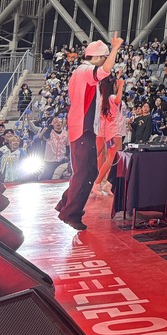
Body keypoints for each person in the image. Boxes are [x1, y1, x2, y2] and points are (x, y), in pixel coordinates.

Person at [56, 34, 123, 231]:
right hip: (83, 128)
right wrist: (115, 48)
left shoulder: (79, 72)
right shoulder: (85, 71)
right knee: (85, 172)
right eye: (105, 57)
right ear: (98, 57)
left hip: (83, 128)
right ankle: (70, 213)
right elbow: (104, 71)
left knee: (88, 171)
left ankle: (65, 204)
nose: (106, 61)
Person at [91, 72, 125, 196]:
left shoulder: (103, 98)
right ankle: (98, 182)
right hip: (113, 132)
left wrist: (118, 79)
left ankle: (107, 183)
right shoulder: (111, 97)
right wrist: (121, 86)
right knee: (112, 159)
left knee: (113, 159)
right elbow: (118, 99)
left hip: (110, 131)